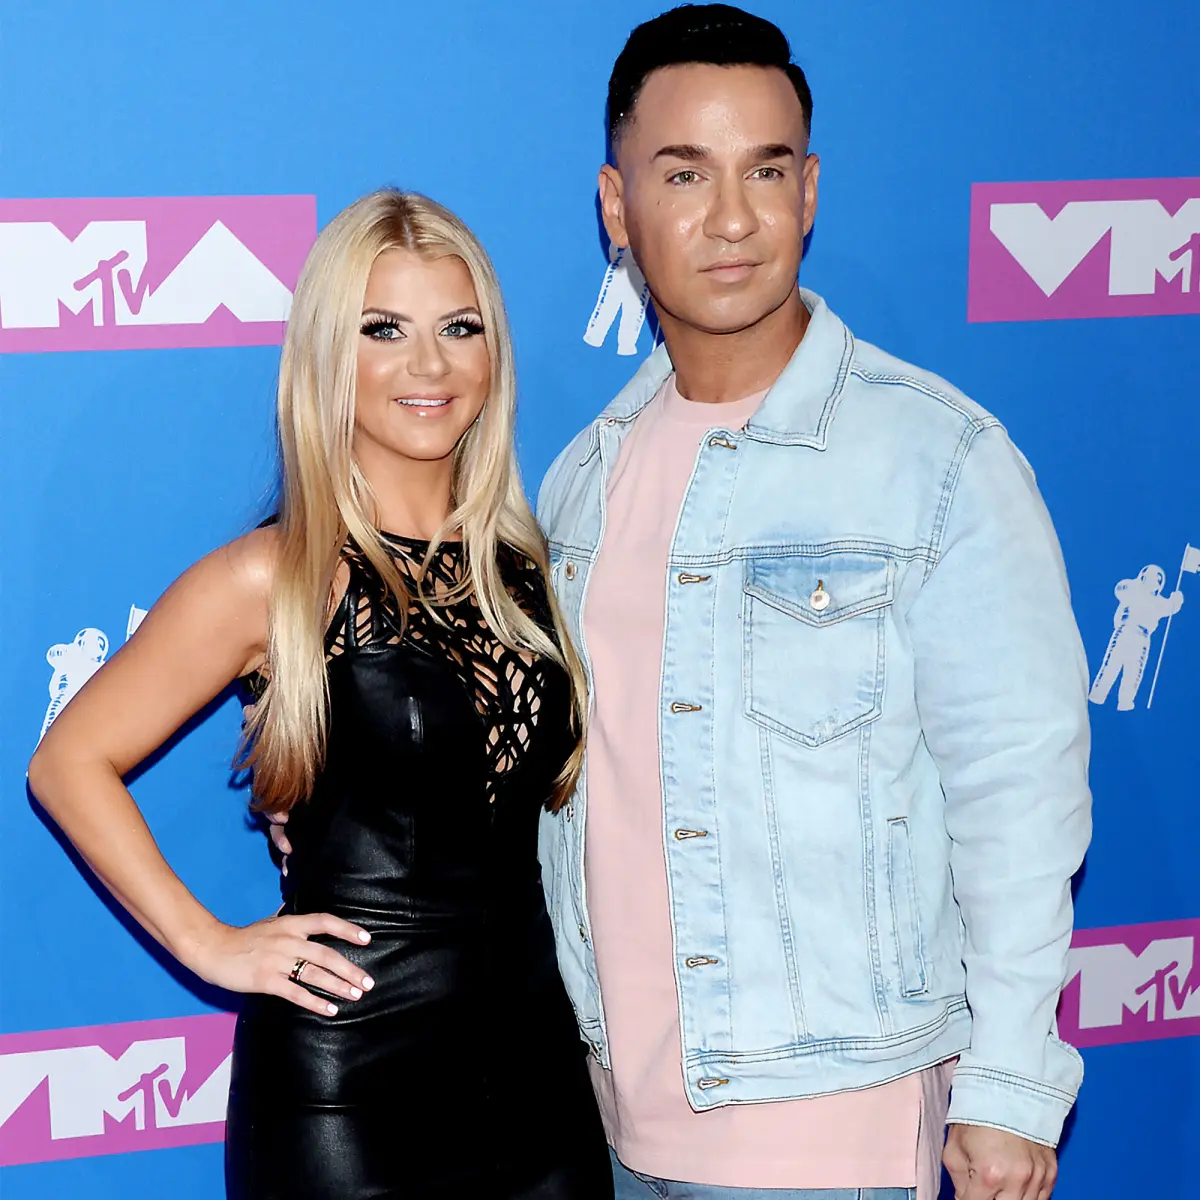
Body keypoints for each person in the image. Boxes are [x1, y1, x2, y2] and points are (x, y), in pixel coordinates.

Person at [536, 6, 1091, 1200]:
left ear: (810, 191)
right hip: (610, 1126)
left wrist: (1008, 1088)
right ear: (617, 207)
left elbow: (1019, 790)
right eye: (684, 173)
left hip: (829, 1136)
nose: (733, 217)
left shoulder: (936, 459)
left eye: (766, 169)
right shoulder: (583, 478)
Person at [28, 189, 613, 1200]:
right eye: (383, 330)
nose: (428, 365)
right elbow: (67, 761)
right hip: (347, 1081)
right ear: (328, 357)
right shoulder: (278, 577)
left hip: (537, 1069)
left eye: (459, 328)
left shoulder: (526, 570)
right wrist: (209, 943)